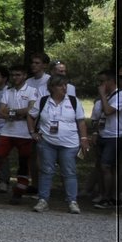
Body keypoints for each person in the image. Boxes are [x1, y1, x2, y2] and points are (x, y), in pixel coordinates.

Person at [0, 65, 37, 203]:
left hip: (24, 134)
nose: (15, 77)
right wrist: (18, 113)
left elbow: (32, 109)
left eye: (18, 75)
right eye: (14, 75)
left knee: (23, 164)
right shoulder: (8, 91)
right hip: (7, 132)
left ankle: (18, 193)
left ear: (24, 76)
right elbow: (0, 112)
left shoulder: (32, 91)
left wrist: (11, 113)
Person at [32, 74, 88, 214]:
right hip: (47, 142)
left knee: (69, 172)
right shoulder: (43, 100)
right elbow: (30, 115)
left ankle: (72, 201)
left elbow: (81, 121)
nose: (64, 88)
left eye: (65, 85)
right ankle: (43, 200)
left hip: (69, 143)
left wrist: (84, 138)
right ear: (52, 87)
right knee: (46, 171)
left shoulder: (74, 101)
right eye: (60, 85)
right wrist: (33, 131)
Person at [92, 68, 122, 208]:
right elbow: (97, 117)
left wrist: (102, 95)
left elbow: (109, 111)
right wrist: (95, 133)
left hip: (116, 136)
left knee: (106, 165)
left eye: (103, 82)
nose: (100, 85)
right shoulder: (106, 97)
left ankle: (108, 198)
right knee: (105, 167)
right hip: (104, 134)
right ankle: (108, 195)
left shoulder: (121, 96)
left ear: (110, 81)